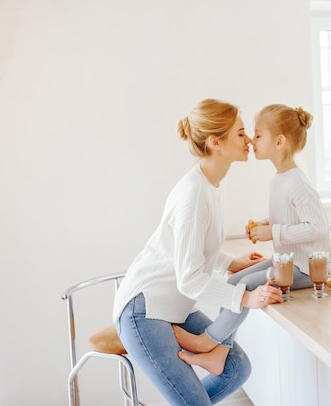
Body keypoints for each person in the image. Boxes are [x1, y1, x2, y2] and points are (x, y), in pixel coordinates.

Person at [112, 98, 283, 406]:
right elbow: (189, 278)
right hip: (145, 311)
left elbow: (193, 248)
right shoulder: (194, 194)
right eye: (241, 133)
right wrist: (244, 298)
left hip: (172, 306)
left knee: (235, 368)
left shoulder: (212, 183)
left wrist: (231, 262)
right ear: (216, 142)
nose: (248, 140)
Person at [173, 103, 331, 372]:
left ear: (279, 141)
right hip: (288, 261)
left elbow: (318, 227)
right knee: (235, 281)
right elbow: (290, 219)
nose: (251, 140)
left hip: (308, 268)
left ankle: (207, 342)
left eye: (258, 135)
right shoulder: (280, 179)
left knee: (245, 285)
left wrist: (273, 232)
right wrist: (266, 225)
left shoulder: (297, 182)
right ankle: (221, 351)